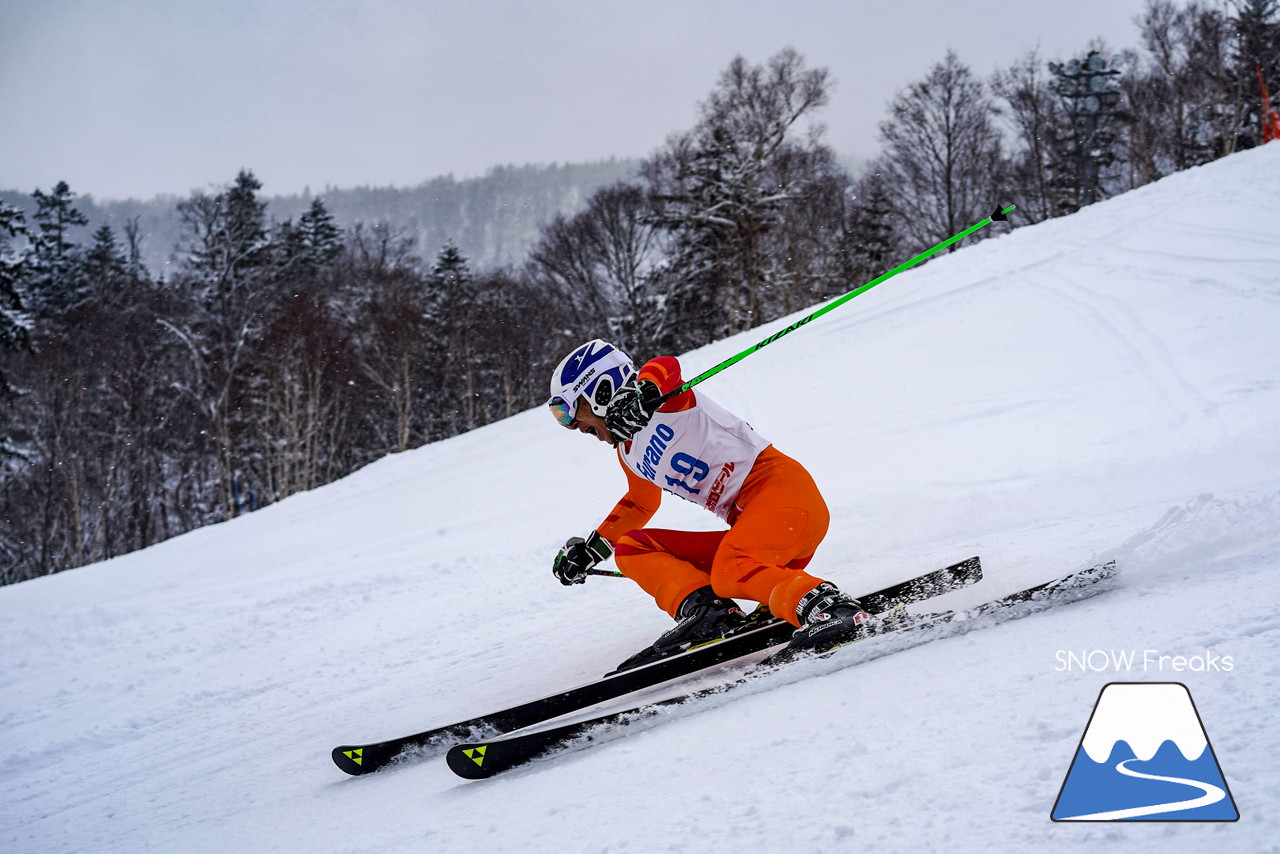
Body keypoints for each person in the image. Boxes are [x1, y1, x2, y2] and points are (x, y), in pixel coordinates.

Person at [546, 339, 870, 671]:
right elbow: (639, 503)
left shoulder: (666, 400)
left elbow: (666, 365)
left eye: (569, 411)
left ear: (600, 390)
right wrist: (592, 549)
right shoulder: (628, 452)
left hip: (785, 498)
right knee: (633, 547)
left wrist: (643, 393)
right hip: (758, 532)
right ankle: (708, 613)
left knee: (732, 567)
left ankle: (829, 609)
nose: (574, 426)